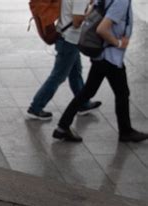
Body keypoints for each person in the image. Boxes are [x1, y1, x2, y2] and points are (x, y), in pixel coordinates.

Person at [53, 0, 148, 142]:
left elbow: (91, 11)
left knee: (89, 91)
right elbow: (102, 29)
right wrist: (119, 43)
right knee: (121, 93)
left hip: (101, 54)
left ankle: (62, 127)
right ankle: (126, 131)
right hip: (110, 57)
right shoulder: (121, 2)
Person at [26, 0, 102, 120]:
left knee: (76, 73)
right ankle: (36, 107)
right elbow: (77, 21)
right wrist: (91, 11)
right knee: (58, 76)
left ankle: (83, 104)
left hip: (66, 37)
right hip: (69, 40)